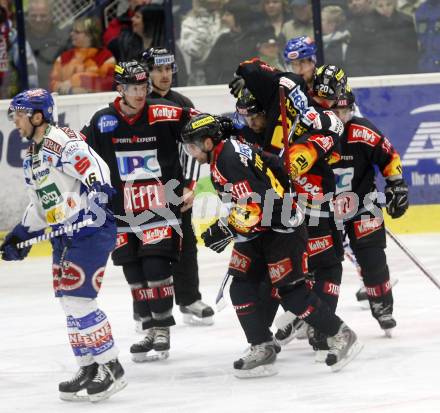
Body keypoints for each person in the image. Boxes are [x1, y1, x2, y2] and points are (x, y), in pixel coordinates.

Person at [183, 113, 362, 377]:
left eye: (192, 146)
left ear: (208, 143)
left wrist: (225, 227)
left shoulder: (228, 159)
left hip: (281, 231)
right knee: (241, 287)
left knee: (292, 293)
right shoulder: (230, 150)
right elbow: (276, 166)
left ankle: (341, 334)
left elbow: (255, 208)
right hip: (259, 232)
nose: (191, 152)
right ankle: (262, 346)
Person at [0, 88, 126, 402]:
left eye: (19, 114)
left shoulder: (60, 140)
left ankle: (112, 369)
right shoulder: (32, 156)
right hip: (63, 234)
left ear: (37, 115)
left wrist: (99, 190)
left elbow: (93, 164)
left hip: (90, 228)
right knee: (68, 304)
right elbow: (42, 205)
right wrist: (21, 234)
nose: (15, 120)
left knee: (80, 301)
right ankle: (88, 367)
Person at [229, 59, 348, 360]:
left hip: (301, 200)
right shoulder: (302, 109)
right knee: (303, 267)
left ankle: (313, 326)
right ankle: (300, 327)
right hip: (291, 202)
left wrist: (248, 75)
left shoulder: (316, 114)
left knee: (307, 265)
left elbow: (313, 155)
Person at [81, 60, 194, 362]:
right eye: (134, 87)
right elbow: (81, 154)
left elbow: (201, 129)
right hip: (119, 212)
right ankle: (148, 328)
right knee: (135, 273)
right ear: (120, 89)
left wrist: (190, 184)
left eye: (144, 86)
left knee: (157, 268)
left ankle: (162, 329)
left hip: (159, 207)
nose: (141, 93)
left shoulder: (163, 113)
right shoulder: (103, 120)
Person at [140, 47, 215, 325]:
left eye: (168, 69)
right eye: (158, 69)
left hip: (176, 186)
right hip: (144, 190)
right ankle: (147, 307)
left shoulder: (183, 102)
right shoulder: (140, 104)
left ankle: (189, 298)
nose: (164, 75)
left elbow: (193, 147)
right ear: (147, 73)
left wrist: (190, 186)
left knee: (185, 243)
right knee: (148, 248)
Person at [331, 87, 408, 335]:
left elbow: (389, 157)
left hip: (363, 206)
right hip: (323, 213)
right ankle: (314, 318)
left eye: (345, 111)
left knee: (374, 261)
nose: (341, 117)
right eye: (336, 111)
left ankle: (383, 308)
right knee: (319, 267)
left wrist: (396, 185)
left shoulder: (363, 131)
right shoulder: (313, 134)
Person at [49, 16, 115, 94]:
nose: (71, 34)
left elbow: (110, 82)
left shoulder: (105, 56)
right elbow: (51, 82)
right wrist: (70, 90)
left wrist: (78, 80)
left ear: (90, 35)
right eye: (72, 31)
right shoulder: (64, 57)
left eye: (77, 32)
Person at [25, 0, 70, 89]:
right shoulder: (19, 39)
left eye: (43, 16)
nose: (38, 19)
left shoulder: (63, 39)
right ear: (27, 16)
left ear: (51, 16)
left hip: (54, 94)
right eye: (34, 16)